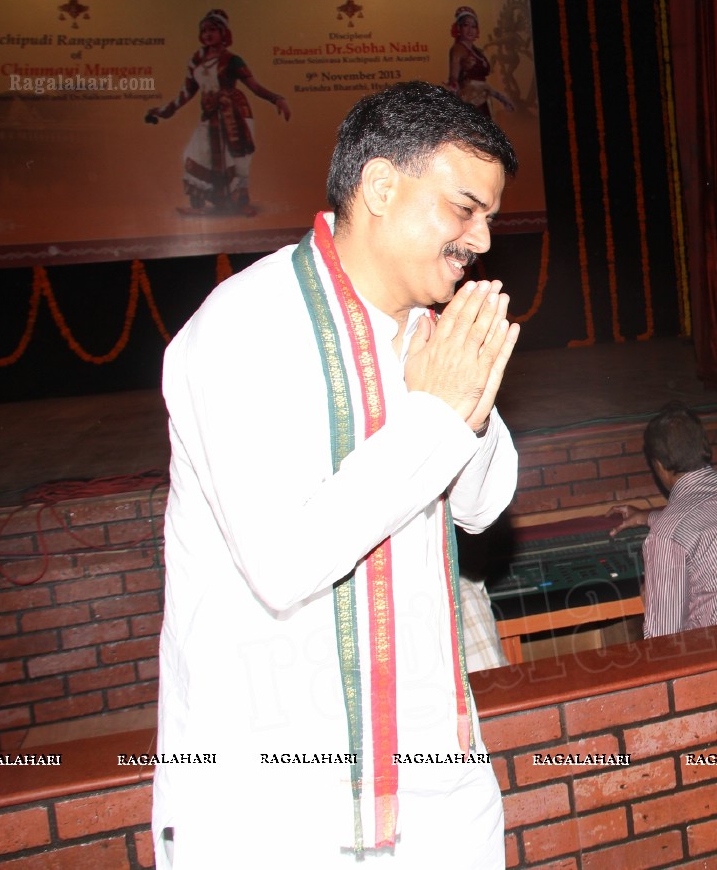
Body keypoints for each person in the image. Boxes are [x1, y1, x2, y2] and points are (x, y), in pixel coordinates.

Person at [155, 81, 520, 867]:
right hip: (275, 799)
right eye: (464, 208)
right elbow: (284, 563)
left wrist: (471, 403)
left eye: (489, 217)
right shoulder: (245, 329)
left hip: (436, 787)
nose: (482, 240)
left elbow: (483, 508)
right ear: (381, 186)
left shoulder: (429, 334)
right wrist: (435, 414)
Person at [608, 402, 717, 637]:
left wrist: (652, 602)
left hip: (715, 656)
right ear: (703, 447)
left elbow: (664, 639)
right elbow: (709, 518)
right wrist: (648, 517)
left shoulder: (667, 535)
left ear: (658, 465)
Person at [145, 9, 291, 216]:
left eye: (212, 29)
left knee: (237, 159)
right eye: (203, 30)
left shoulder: (233, 60)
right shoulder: (196, 60)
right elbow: (187, 92)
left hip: (235, 115)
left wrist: (277, 98)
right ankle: (198, 206)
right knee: (194, 155)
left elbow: (254, 87)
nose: (207, 34)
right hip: (211, 116)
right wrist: (163, 111)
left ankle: (242, 202)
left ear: (223, 33)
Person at [446, 6, 515, 120]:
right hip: (469, 103)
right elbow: (453, 79)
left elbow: (482, 84)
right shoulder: (458, 49)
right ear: (459, 27)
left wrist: (502, 98)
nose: (470, 30)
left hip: (483, 101)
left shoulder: (477, 51)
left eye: (473, 26)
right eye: (466, 25)